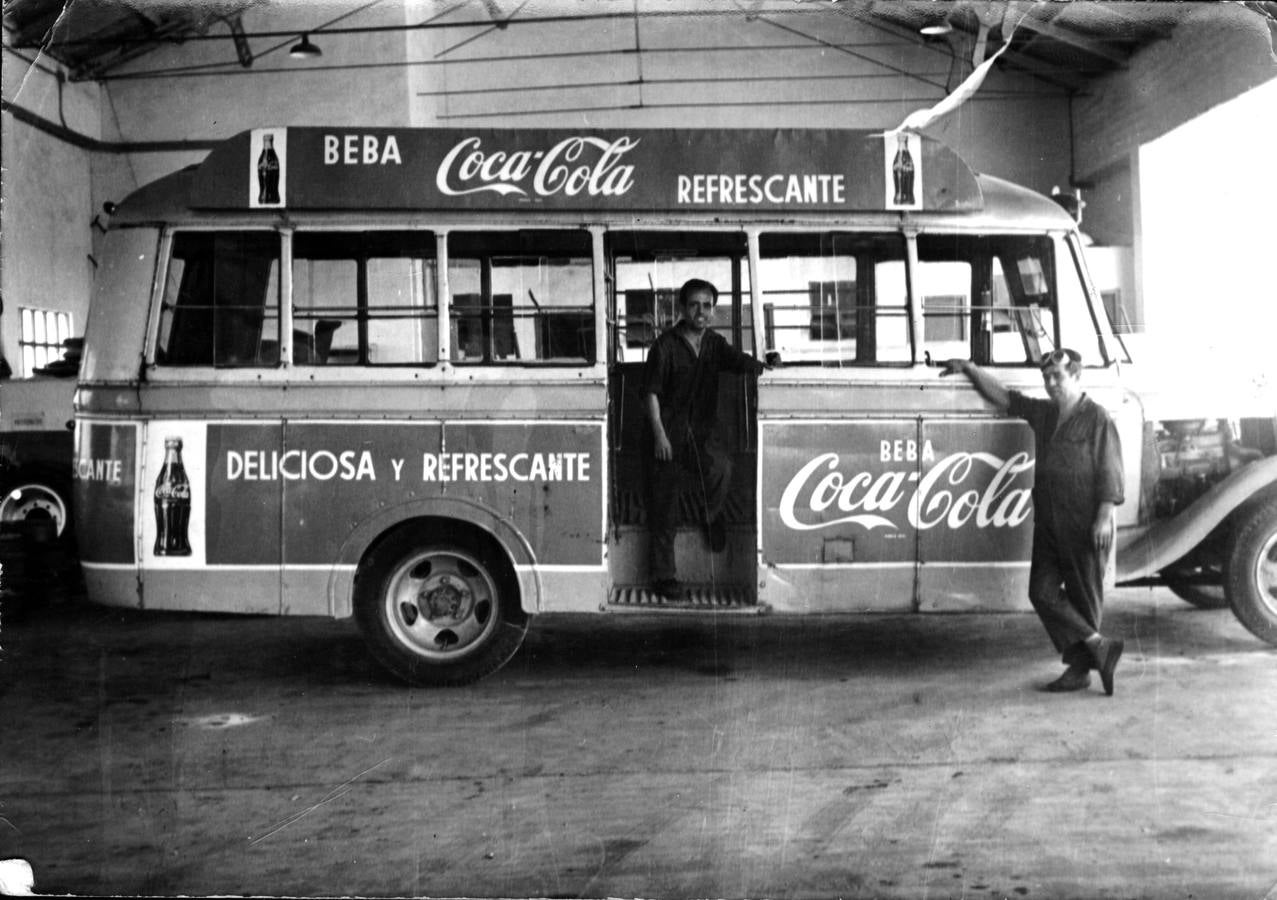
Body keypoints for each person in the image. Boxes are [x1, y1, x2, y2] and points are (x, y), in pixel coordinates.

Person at [942, 349, 1126, 695]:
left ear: (1076, 376)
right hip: (1048, 521)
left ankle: (1079, 670)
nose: (1051, 384)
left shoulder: (1097, 418)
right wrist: (970, 368)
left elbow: (1111, 470)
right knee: (1040, 591)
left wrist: (1104, 516)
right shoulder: (1044, 413)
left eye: (1058, 376)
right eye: (1047, 378)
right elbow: (1005, 398)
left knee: (1084, 598)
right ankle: (1099, 645)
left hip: (1084, 521)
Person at [643, 278, 770, 600]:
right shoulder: (665, 345)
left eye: (707, 305)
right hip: (668, 434)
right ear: (683, 309)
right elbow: (651, 394)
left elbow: (739, 361)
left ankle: (710, 517)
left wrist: (765, 367)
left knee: (722, 468)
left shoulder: (714, 343)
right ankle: (663, 577)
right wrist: (659, 434)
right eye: (695, 305)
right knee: (665, 504)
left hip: (702, 434)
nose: (701, 311)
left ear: (713, 310)